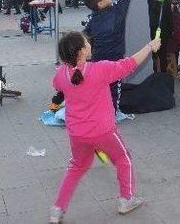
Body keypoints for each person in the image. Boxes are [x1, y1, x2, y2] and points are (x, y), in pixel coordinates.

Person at [48, 31, 161, 223]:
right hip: (103, 132)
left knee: (76, 167)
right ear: (83, 51)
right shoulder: (100, 69)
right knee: (123, 158)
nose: (90, 43)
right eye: (87, 42)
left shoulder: (61, 74)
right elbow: (130, 64)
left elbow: (57, 85)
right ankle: (126, 199)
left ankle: (57, 210)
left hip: (76, 134)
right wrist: (150, 47)